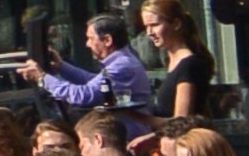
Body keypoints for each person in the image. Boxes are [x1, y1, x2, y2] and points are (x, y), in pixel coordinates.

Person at [23, 13, 160, 115]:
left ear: (107, 40)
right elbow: (93, 82)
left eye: (90, 38)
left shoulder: (122, 66)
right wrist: (61, 67)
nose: (87, 44)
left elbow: (84, 95)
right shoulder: (122, 62)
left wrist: (42, 78)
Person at [144, 0, 221, 123]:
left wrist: (135, 116)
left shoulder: (189, 64)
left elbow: (181, 121)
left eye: (155, 25)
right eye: (146, 26)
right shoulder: (173, 61)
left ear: (176, 24)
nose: (149, 32)